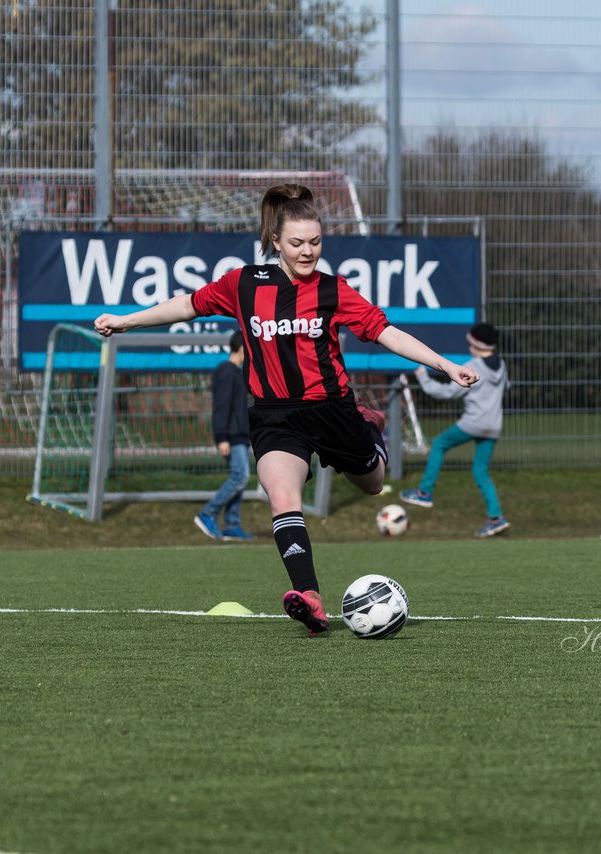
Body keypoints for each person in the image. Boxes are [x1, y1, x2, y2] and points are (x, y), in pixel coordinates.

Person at [95, 184, 477, 635]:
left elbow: (387, 332)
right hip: (275, 416)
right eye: (297, 243)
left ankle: (371, 429)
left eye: (315, 242)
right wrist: (125, 320)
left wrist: (444, 364)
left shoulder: (333, 290)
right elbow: (187, 305)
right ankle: (309, 597)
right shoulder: (242, 284)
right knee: (282, 497)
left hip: (334, 411)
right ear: (275, 240)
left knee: (374, 484)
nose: (307, 251)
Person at [400, 322, 511, 537]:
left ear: (476, 344)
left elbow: (446, 393)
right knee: (481, 472)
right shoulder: (502, 365)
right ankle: (497, 518)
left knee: (440, 444)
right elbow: (506, 387)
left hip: (474, 422)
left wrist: (422, 374)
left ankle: (424, 492)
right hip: (494, 424)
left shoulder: (474, 365)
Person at [195, 331, 256, 542]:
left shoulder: (238, 373)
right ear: (242, 349)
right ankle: (207, 513)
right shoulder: (226, 371)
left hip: (241, 434)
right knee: (240, 476)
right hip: (230, 435)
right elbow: (221, 407)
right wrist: (221, 437)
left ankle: (232, 524)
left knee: (240, 477)